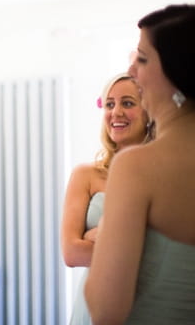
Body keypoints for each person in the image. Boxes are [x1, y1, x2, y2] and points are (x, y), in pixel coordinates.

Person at [85, 4, 195, 324]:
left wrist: (106, 230)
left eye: (142, 59)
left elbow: (106, 310)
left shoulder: (137, 167)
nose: (132, 71)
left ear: (178, 73)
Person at [60, 72, 151, 325]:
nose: (116, 112)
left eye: (128, 103)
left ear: (149, 111)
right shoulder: (86, 175)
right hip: (93, 305)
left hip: (148, 301)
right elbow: (71, 253)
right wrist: (135, 241)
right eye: (110, 104)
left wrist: (102, 235)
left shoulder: (161, 178)